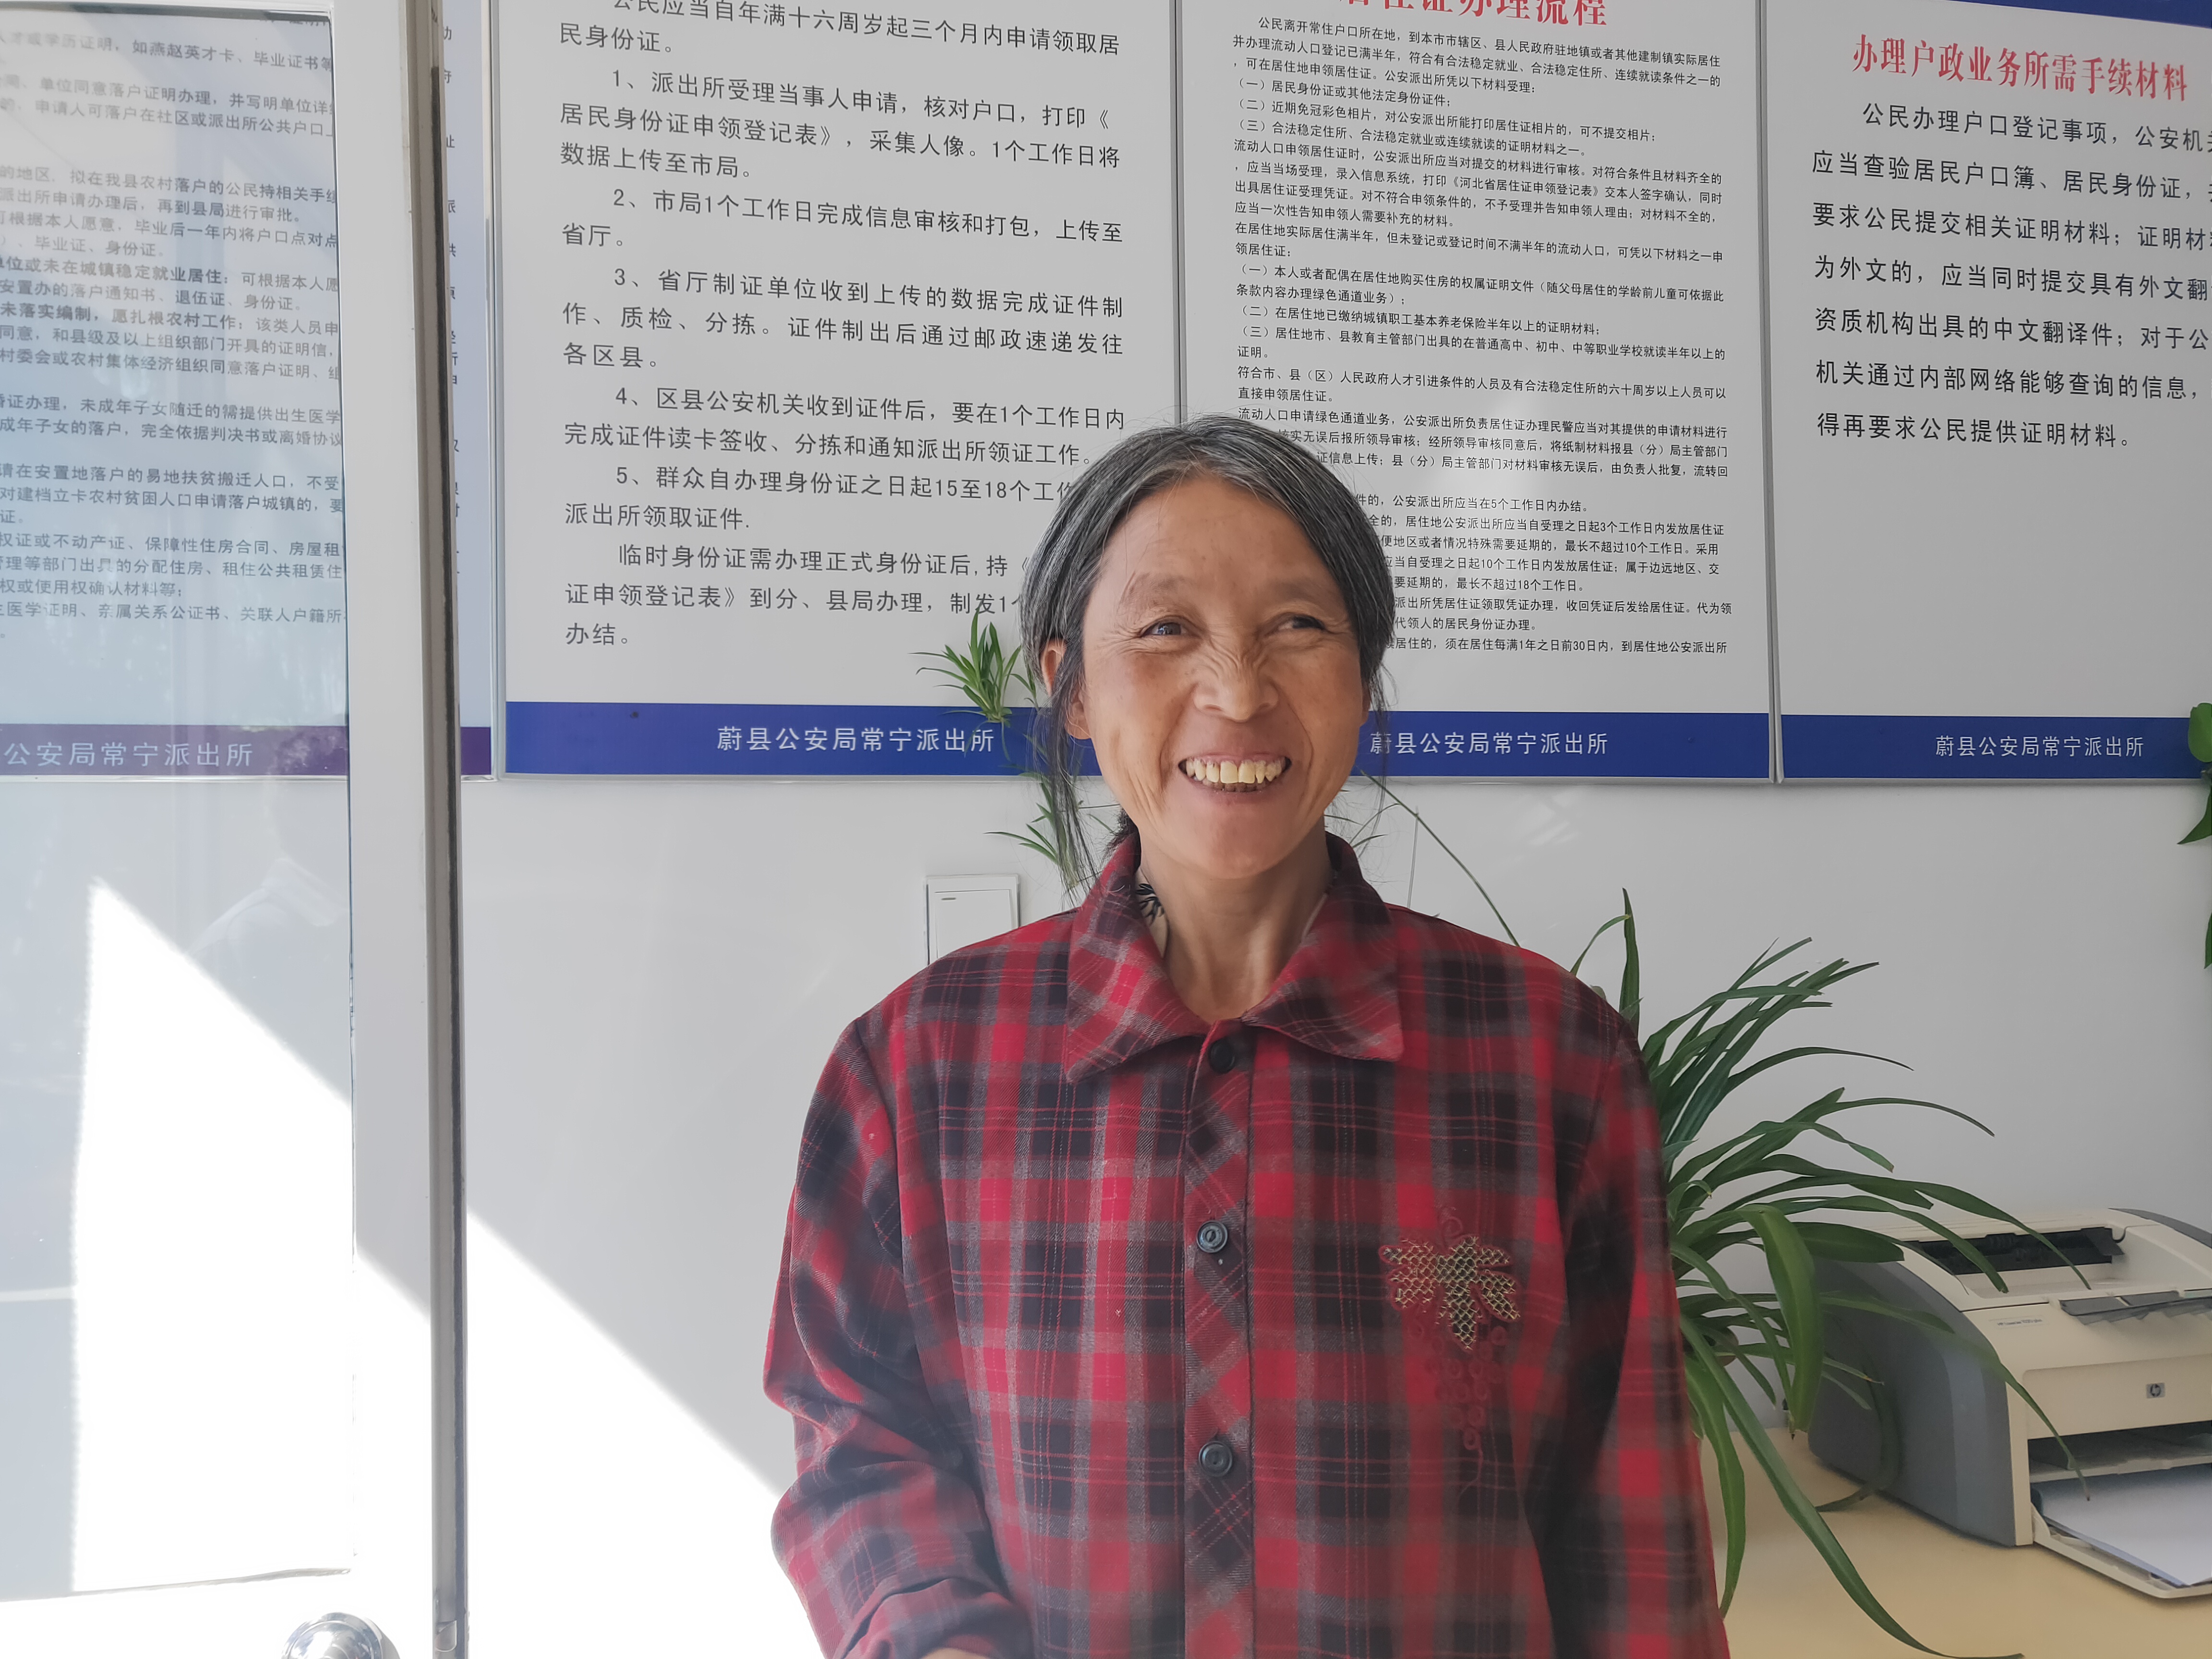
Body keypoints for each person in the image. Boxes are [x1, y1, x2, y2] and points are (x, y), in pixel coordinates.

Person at [764, 417, 1726, 1659]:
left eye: (1299, 626)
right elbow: (856, 1439)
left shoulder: (1551, 1061)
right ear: (1071, 687)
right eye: (1166, 629)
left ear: (1364, 679)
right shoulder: (916, 1071)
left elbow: (1630, 1522)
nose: (1236, 691)